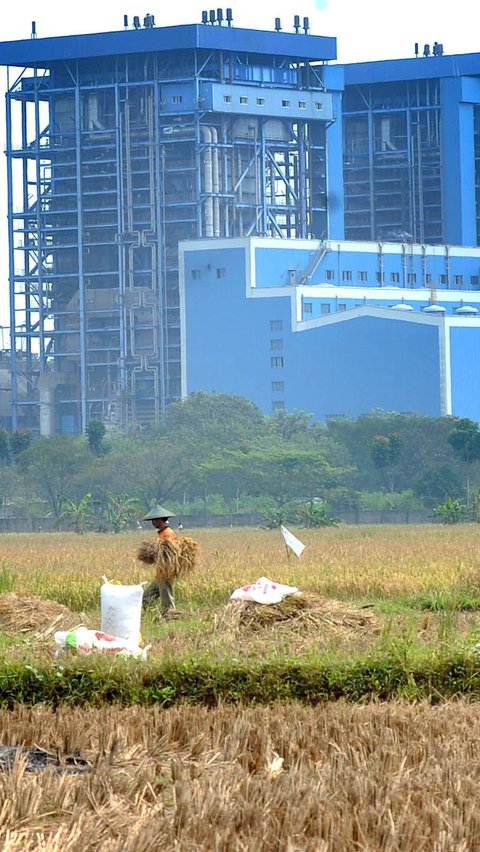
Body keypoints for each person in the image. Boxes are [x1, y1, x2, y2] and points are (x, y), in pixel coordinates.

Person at [141, 505, 178, 613]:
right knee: (146, 598)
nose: (153, 523)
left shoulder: (168, 533)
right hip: (161, 572)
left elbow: (170, 553)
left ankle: (169, 617)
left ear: (158, 520)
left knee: (167, 599)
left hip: (167, 572)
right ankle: (156, 617)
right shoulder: (161, 533)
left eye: (154, 520)